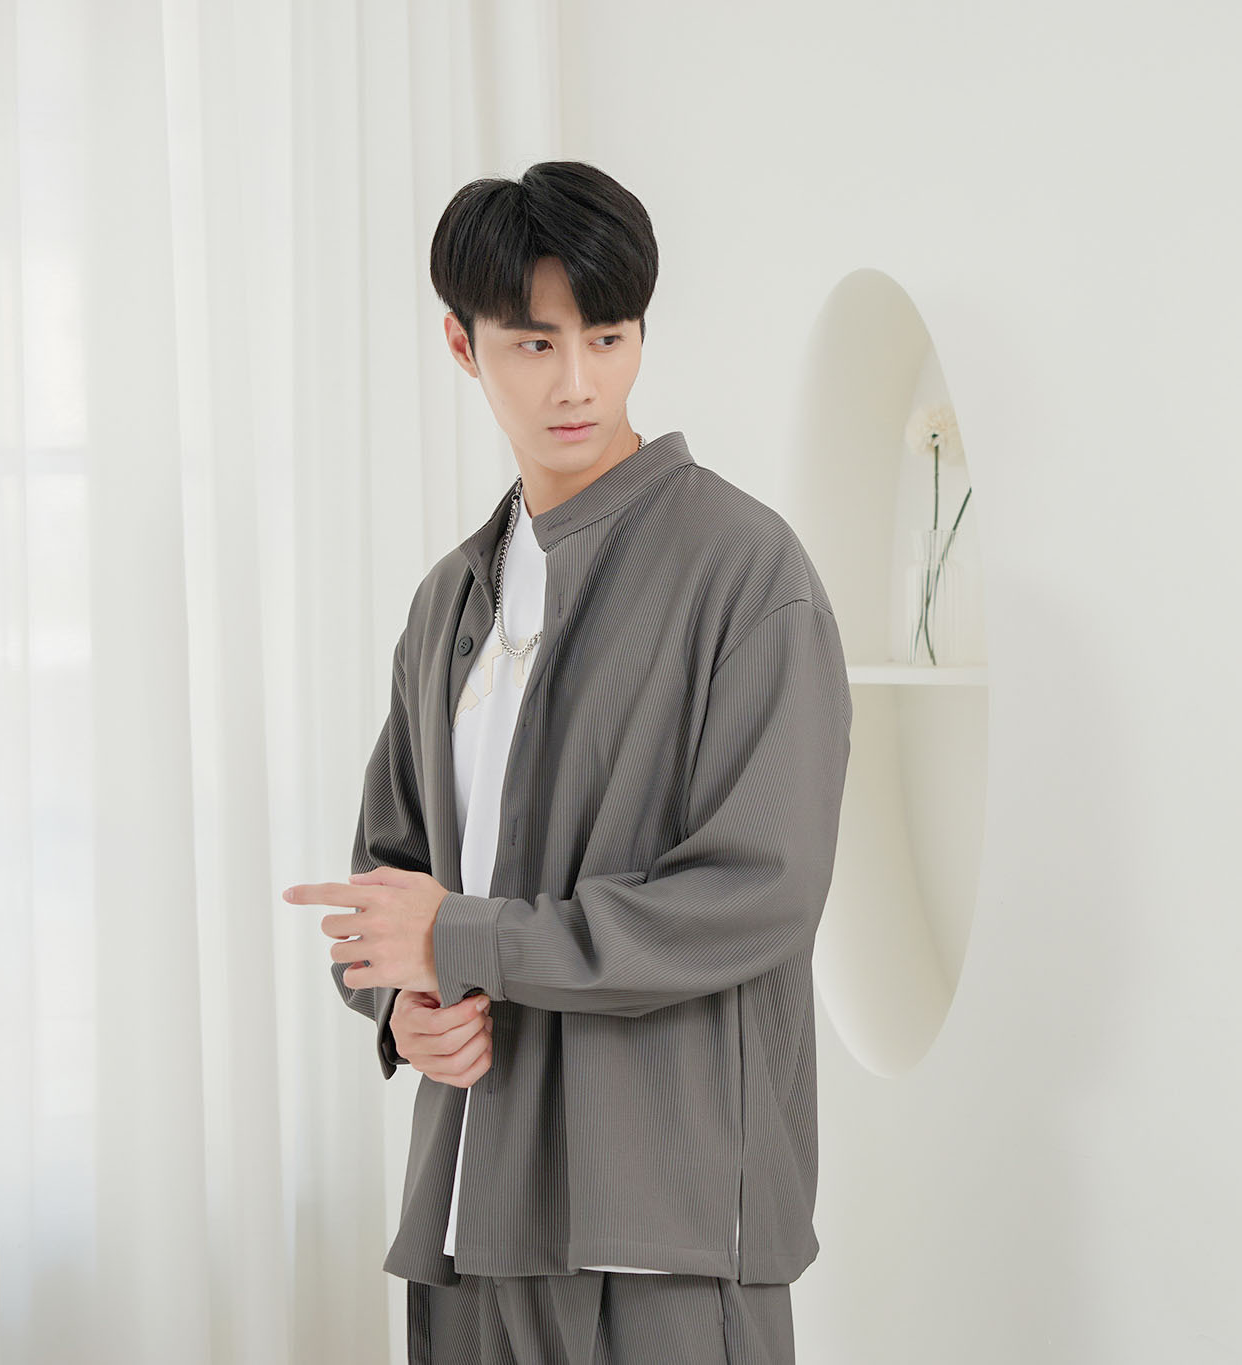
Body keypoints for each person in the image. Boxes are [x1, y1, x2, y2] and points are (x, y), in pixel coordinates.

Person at [282, 160, 853, 1365]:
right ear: (462, 344)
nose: (578, 382)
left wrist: (466, 941)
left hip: (664, 1231)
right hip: (466, 1218)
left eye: (608, 336)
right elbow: (389, 888)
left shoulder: (745, 572)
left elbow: (757, 893)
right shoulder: (450, 601)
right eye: (534, 344)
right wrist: (402, 1008)